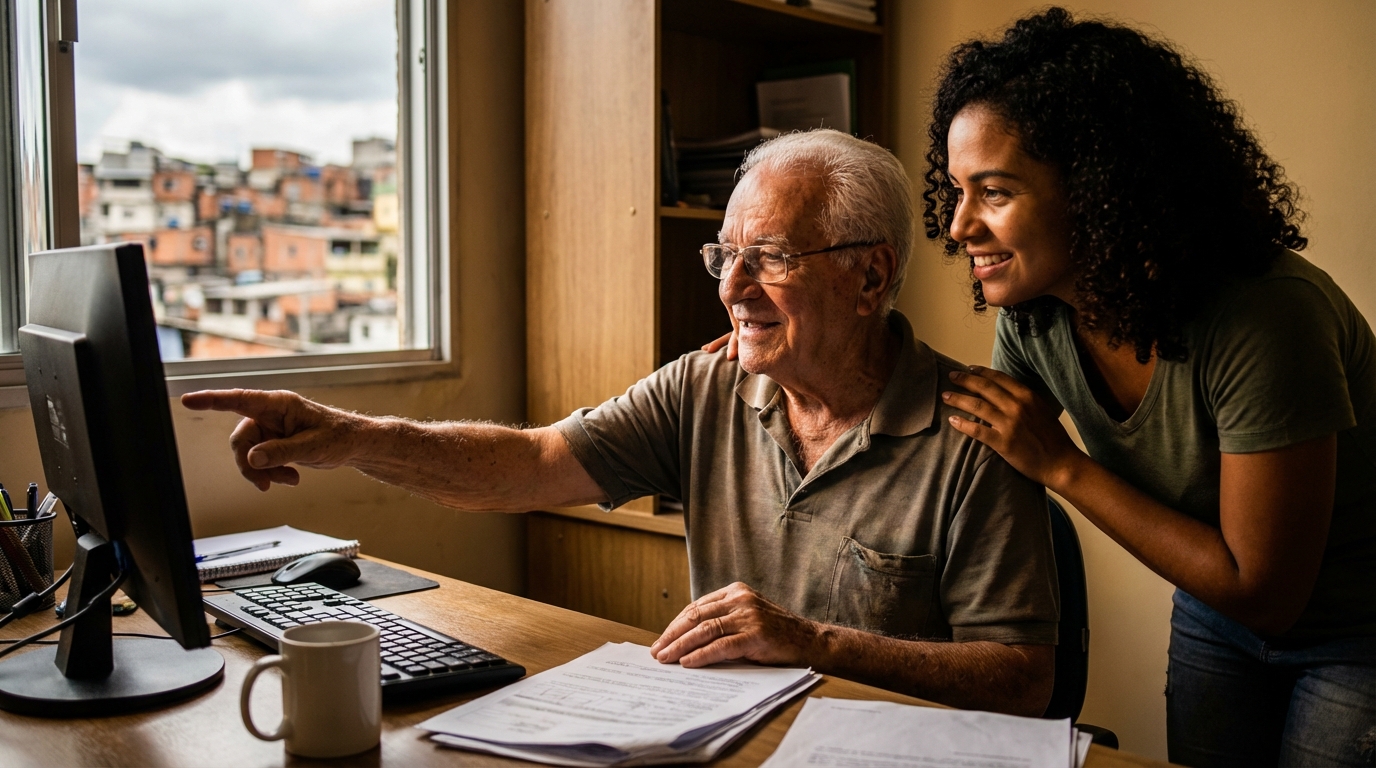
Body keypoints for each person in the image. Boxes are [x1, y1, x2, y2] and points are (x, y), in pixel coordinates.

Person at [184, 130, 1061, 717]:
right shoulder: (705, 386)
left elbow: (1024, 680)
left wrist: (810, 644)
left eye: (772, 259)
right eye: (726, 255)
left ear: (870, 278)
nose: (731, 288)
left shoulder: (979, 432)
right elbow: (528, 466)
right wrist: (346, 436)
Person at [919, 8, 1376, 767]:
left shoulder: (1265, 317)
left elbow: (1266, 592)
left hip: (1357, 627)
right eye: (957, 189)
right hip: (1213, 616)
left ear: (1100, 190)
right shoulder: (1037, 316)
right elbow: (971, 441)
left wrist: (1063, 466)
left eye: (993, 191)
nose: (960, 224)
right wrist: (797, 339)